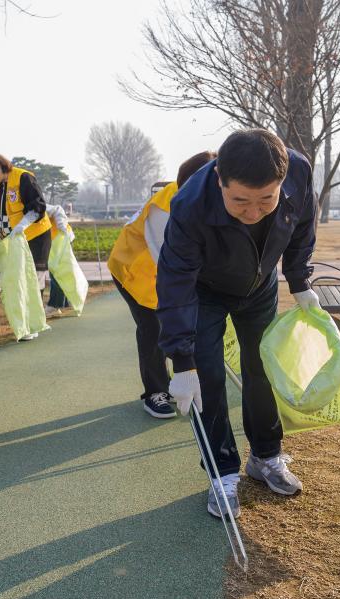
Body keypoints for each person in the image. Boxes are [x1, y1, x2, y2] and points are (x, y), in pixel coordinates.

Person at [156, 129, 320, 519]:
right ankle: (222, 473)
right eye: (240, 201)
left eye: (267, 199)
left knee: (263, 368)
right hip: (205, 293)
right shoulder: (190, 205)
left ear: (283, 181)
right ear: (219, 179)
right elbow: (175, 281)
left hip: (259, 285)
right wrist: (181, 360)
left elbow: (303, 226)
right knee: (208, 378)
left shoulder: (299, 171)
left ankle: (265, 456)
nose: (252, 212)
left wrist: (298, 280)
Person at [107, 152, 215, 419]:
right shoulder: (164, 207)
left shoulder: (206, 198)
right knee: (153, 328)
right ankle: (154, 392)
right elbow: (167, 261)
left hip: (161, 271)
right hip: (134, 271)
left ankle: (183, 380)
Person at [0, 151, 52, 340]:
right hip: (12, 240)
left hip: (35, 236)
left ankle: (34, 323)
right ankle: (23, 322)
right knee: (17, 280)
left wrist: (23, 225)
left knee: (34, 278)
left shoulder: (23, 177)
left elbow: (38, 206)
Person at [43, 203, 75, 318]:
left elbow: (58, 209)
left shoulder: (37, 205)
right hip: (55, 240)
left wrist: (62, 227)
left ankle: (54, 305)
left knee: (56, 273)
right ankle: (63, 302)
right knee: (58, 272)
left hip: (61, 239)